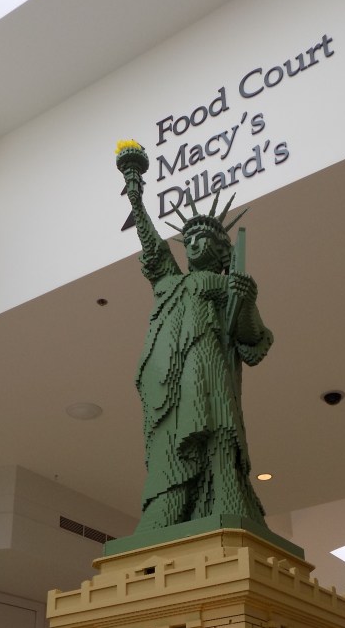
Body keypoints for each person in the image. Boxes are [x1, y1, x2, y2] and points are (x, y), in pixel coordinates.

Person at [116, 141, 274, 532]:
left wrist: (246, 300)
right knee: (170, 447)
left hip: (209, 375)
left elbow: (252, 341)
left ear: (222, 253)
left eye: (203, 239)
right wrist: (136, 198)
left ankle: (226, 506)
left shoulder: (224, 285)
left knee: (218, 437)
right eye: (189, 240)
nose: (193, 245)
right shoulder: (171, 283)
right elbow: (153, 246)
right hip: (169, 384)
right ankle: (168, 510)